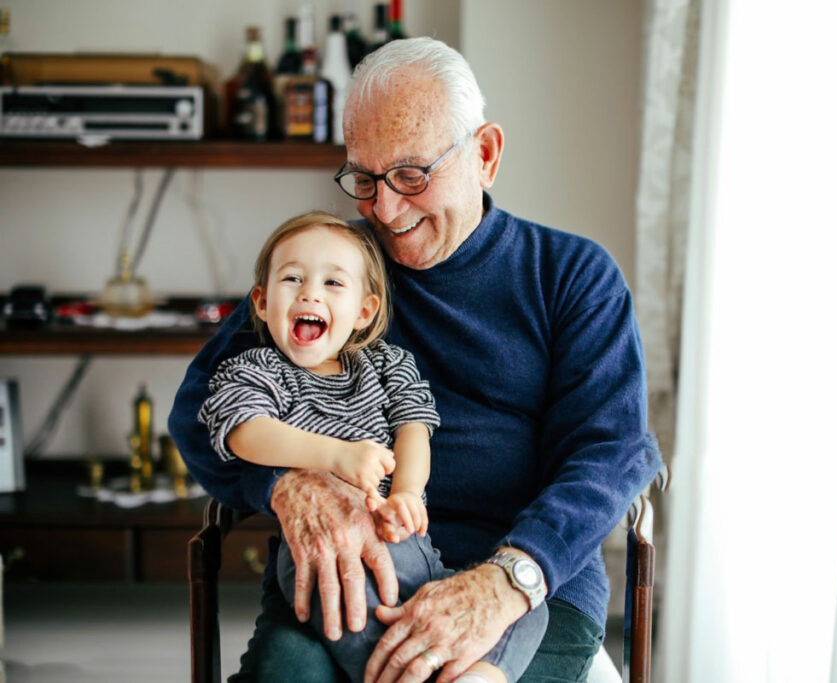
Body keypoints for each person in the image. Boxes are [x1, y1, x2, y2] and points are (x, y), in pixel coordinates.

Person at [170, 36, 661, 682]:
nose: (386, 211)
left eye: (410, 175)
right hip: (349, 572)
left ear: (484, 155)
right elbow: (200, 409)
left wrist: (504, 581)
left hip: (524, 583)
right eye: (364, 180)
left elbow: (612, 450)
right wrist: (286, 482)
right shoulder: (333, 270)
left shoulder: (572, 275)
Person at [196, 211, 547, 683]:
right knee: (346, 607)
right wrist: (336, 456)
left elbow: (414, 429)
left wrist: (405, 491)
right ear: (261, 302)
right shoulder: (259, 370)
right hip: (325, 553)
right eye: (293, 278)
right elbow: (244, 431)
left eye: (333, 283)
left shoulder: (386, 364)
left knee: (527, 607)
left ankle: (480, 676)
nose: (310, 293)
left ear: (364, 311)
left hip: (413, 549)